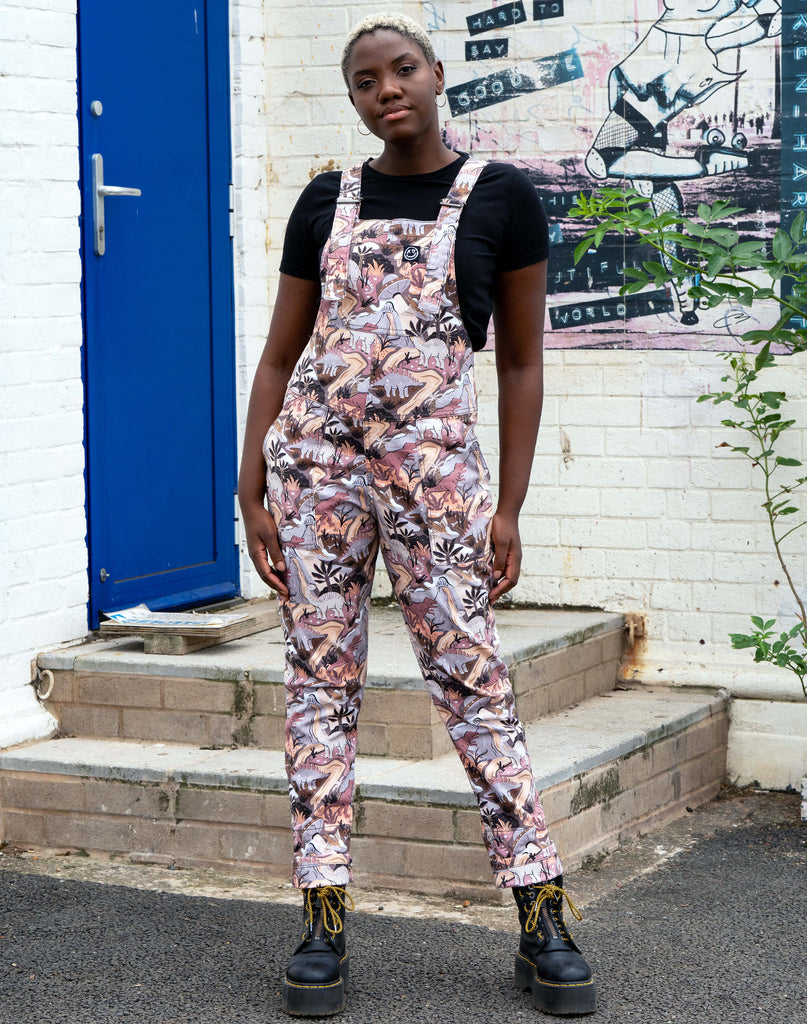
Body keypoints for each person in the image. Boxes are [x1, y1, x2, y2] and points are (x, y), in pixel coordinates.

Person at [238, 13, 597, 1018]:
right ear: (353, 97)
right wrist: (250, 480)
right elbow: (279, 355)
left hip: (436, 485)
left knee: (476, 680)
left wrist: (510, 505)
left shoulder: (502, 200)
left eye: (403, 70)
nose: (386, 88)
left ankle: (542, 911)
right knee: (319, 685)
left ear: (437, 77)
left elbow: (522, 362)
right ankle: (322, 914)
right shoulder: (324, 201)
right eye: (365, 79)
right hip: (315, 477)